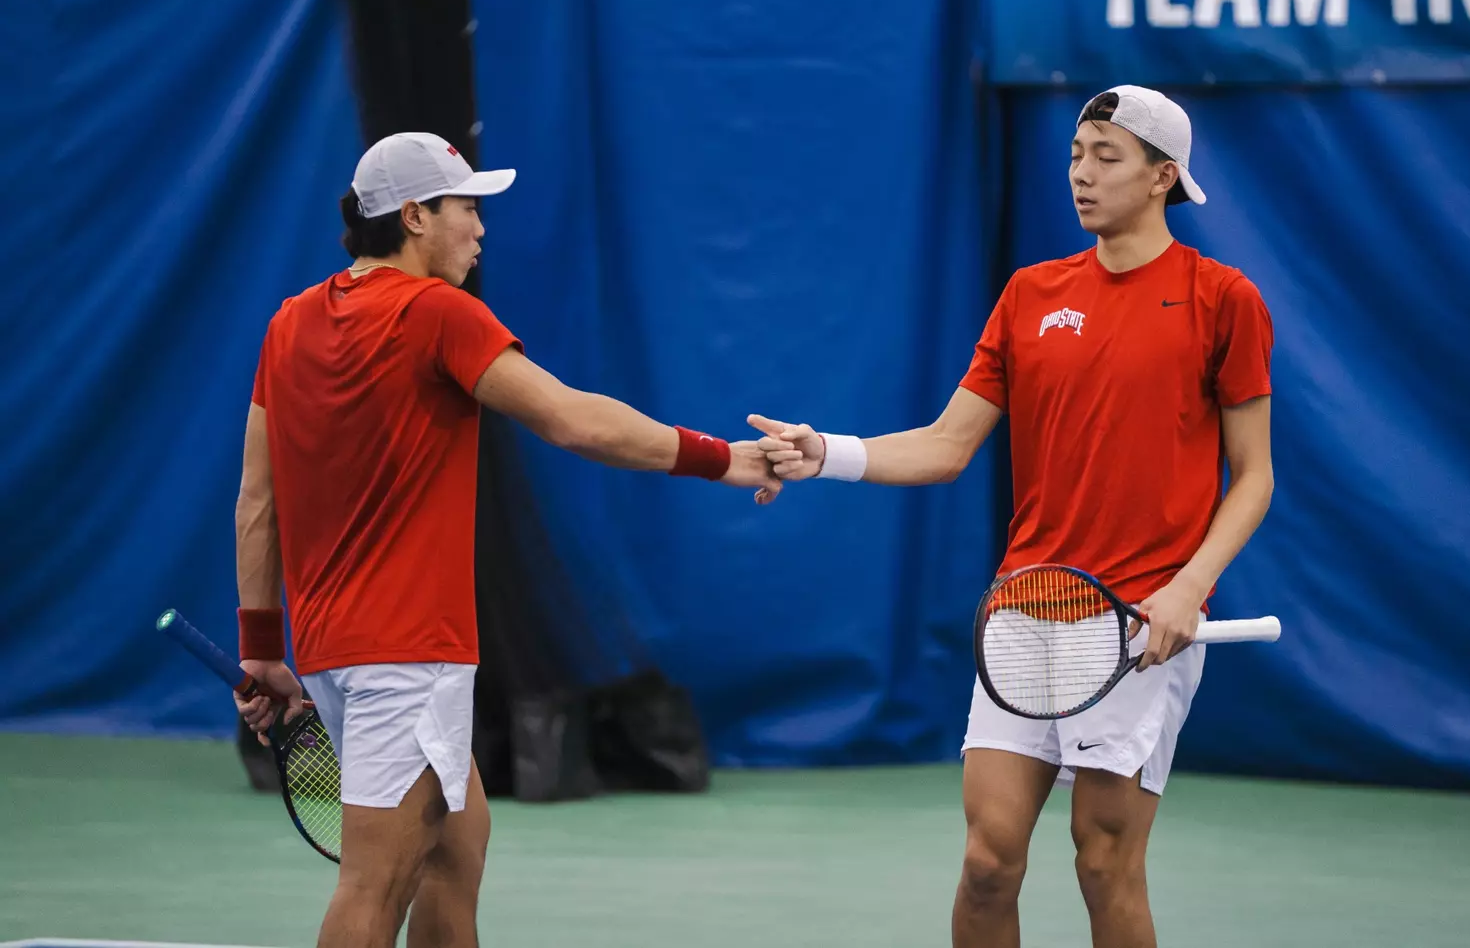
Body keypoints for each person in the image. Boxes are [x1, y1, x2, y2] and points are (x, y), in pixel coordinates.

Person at [749, 86, 1274, 948]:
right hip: (1025, 614)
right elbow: (947, 445)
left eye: (1107, 156)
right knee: (989, 864)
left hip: (1140, 623)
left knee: (1104, 864)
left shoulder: (1224, 300)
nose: (1081, 173)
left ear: (1162, 177)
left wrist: (1191, 587)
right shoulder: (1031, 294)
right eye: (1076, 154)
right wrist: (829, 453)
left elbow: (1252, 478)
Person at [232, 132, 781, 948]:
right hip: (407, 654)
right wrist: (721, 459)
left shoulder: (290, 324)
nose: (482, 228)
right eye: (467, 208)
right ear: (415, 216)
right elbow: (573, 419)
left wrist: (263, 649)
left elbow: (256, 504)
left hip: (333, 652)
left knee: (458, 849)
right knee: (374, 883)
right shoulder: (439, 314)